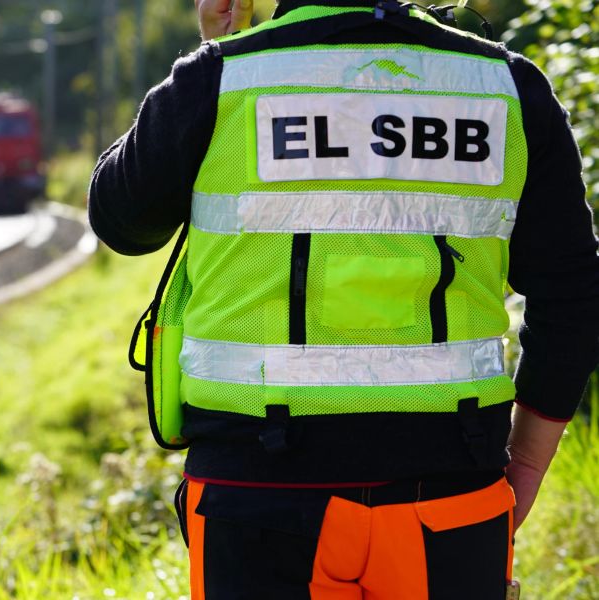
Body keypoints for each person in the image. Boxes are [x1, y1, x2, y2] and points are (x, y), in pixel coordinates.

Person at [88, 0, 599, 597]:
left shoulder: (225, 75)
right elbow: (573, 292)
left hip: (259, 498)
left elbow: (122, 220)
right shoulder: (506, 87)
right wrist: (527, 466)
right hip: (452, 493)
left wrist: (214, 50)